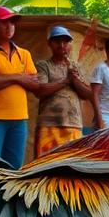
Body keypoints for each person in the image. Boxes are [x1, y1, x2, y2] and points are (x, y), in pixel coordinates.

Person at [0, 7, 38, 167]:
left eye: (12, 22)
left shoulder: (24, 53)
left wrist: (0, 78)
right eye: (3, 22)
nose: (9, 26)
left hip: (19, 119)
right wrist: (18, 77)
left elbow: (34, 84)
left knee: (14, 169)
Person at [32, 25, 93, 159]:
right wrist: (66, 81)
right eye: (57, 41)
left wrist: (75, 81)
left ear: (70, 45)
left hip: (73, 126)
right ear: (50, 44)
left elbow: (88, 94)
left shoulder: (75, 66)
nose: (62, 45)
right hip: (49, 126)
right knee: (44, 169)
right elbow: (40, 90)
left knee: (70, 171)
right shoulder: (43, 65)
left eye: (65, 41)